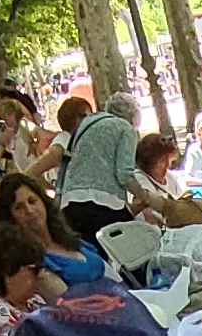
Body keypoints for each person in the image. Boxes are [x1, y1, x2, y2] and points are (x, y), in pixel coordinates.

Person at [0, 171, 113, 289]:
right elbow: (67, 303)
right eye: (19, 207)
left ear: (43, 202)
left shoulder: (69, 239)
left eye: (32, 201)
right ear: (10, 217)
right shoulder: (34, 264)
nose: (29, 210)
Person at [56, 92, 144, 241]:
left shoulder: (87, 124)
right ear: (134, 117)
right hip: (103, 205)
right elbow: (124, 174)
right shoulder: (126, 129)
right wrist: (144, 195)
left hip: (71, 202)